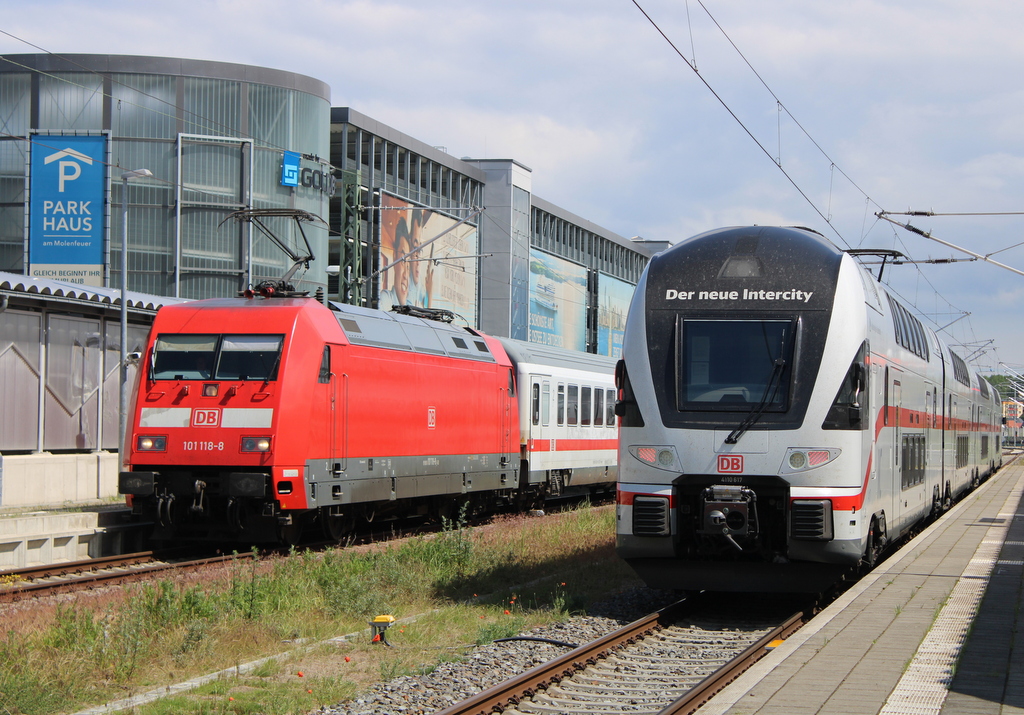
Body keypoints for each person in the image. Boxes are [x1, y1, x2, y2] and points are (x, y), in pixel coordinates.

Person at [379, 221, 412, 311]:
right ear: (394, 258)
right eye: (403, 261)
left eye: (408, 266)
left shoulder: (410, 306)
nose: (405, 275)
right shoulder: (386, 299)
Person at [407, 209, 433, 307]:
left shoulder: (421, 286)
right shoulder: (404, 286)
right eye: (414, 249)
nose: (418, 260)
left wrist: (429, 292)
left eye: (420, 251)